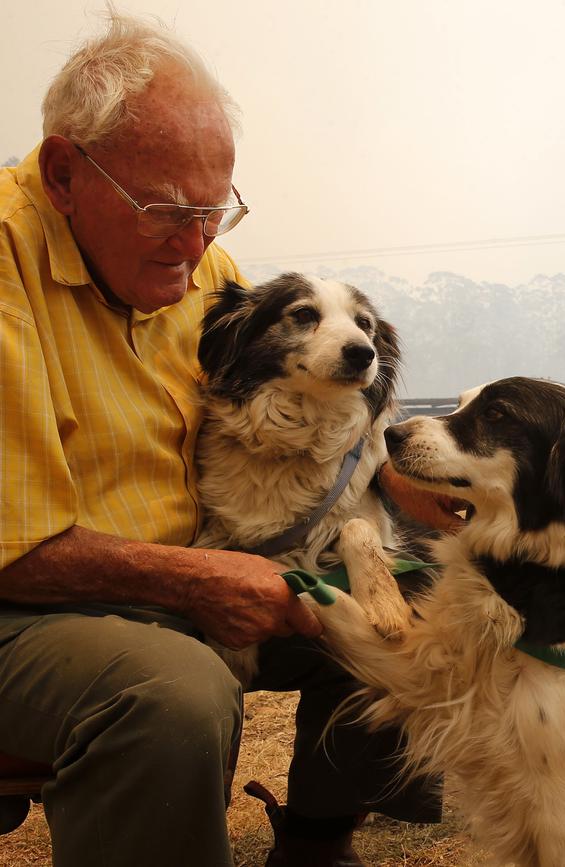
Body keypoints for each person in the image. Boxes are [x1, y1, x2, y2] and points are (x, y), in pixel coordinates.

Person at [0, 12, 443, 867]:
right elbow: (16, 548)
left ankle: (316, 842)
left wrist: (399, 481)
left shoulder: (190, 259)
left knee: (398, 614)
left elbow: (292, 396)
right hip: (29, 601)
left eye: (216, 209)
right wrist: (202, 578)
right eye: (170, 208)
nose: (200, 241)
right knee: (169, 690)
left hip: (181, 577)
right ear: (62, 173)